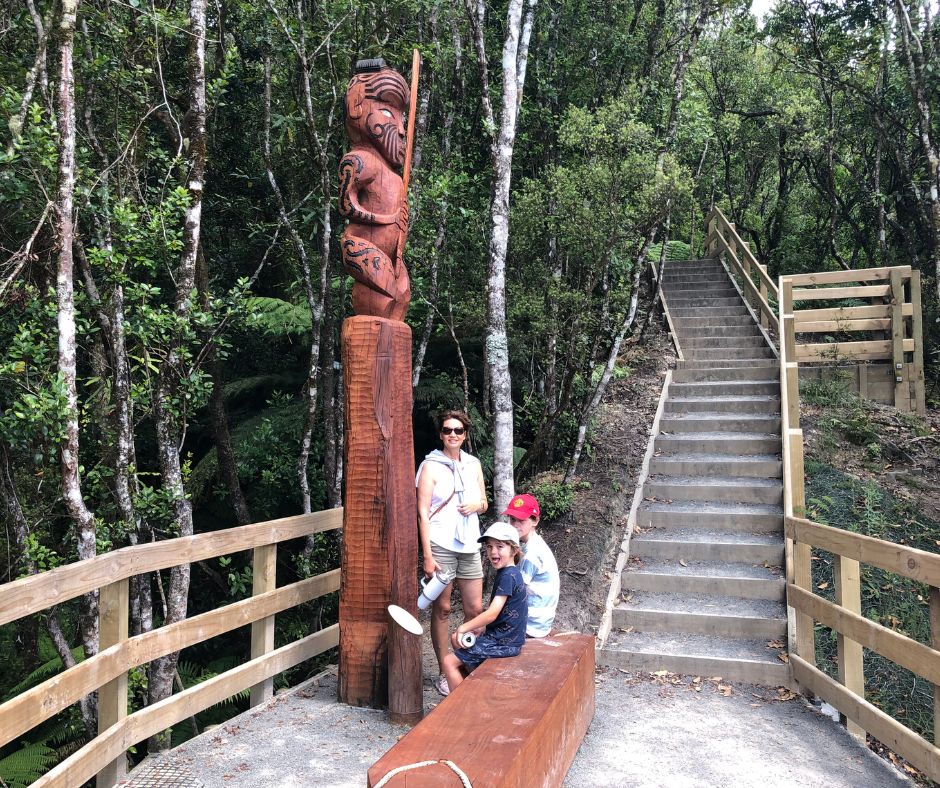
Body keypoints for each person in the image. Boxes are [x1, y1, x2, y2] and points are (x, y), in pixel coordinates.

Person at [416, 409, 488, 696]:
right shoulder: (430, 466)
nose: (453, 435)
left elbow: (483, 500)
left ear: (465, 434)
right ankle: (444, 669)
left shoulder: (473, 465)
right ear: (441, 434)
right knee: (443, 609)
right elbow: (422, 513)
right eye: (448, 430)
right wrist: (428, 556)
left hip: (470, 543)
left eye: (458, 430)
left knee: (475, 609)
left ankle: (470, 664)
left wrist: (477, 507)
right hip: (441, 542)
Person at [442, 523, 528, 692]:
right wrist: (480, 627)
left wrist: (464, 627)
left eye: (500, 546)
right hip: (505, 637)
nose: (493, 552)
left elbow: (492, 613)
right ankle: (477, 689)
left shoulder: (508, 576)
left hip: (504, 643)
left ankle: (464, 705)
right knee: (455, 639)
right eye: (489, 547)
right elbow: (502, 613)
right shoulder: (509, 572)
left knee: (448, 662)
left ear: (514, 550)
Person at [502, 493, 560, 638]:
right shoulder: (535, 545)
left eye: (521, 520)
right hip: (539, 623)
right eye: (512, 519)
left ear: (535, 521)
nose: (515, 524)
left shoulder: (532, 553)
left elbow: (514, 593)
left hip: (531, 627)